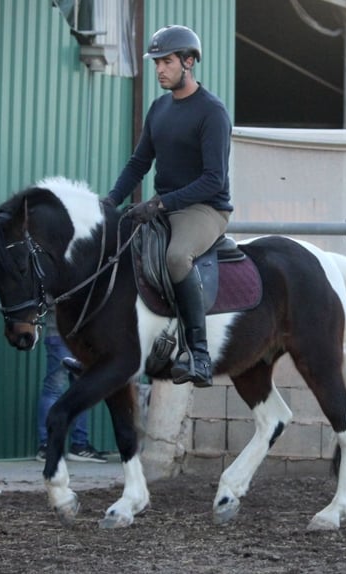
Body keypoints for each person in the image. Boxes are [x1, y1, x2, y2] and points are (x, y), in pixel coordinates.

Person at [103, 25, 233, 389]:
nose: (160, 69)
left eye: (168, 61)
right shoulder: (158, 109)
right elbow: (138, 163)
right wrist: (111, 201)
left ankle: (199, 355)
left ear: (189, 62)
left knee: (177, 257)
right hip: (164, 207)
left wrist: (161, 202)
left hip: (205, 209)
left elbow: (214, 180)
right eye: (157, 62)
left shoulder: (212, 113)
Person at [36, 308, 106, 463]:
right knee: (61, 389)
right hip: (68, 337)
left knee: (61, 389)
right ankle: (75, 445)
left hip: (72, 338)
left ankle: (51, 446)